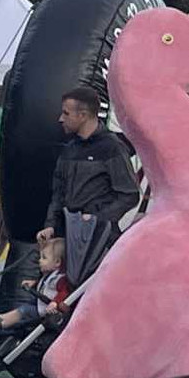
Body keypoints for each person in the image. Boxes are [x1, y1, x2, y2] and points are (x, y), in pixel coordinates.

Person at [36, 85, 140, 285]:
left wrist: (95, 218)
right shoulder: (68, 150)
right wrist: (50, 226)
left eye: (66, 113)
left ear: (82, 115)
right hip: (69, 238)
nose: (60, 118)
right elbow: (58, 195)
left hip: (100, 241)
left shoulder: (112, 148)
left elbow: (129, 194)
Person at [0, 236, 68, 332]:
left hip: (47, 310)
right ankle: (0, 318)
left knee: (24, 311)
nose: (40, 260)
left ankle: (1, 323)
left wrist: (55, 303)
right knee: (24, 307)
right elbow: (44, 284)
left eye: (44, 258)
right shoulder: (48, 275)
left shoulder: (60, 279)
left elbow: (64, 292)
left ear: (57, 262)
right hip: (40, 304)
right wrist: (33, 283)